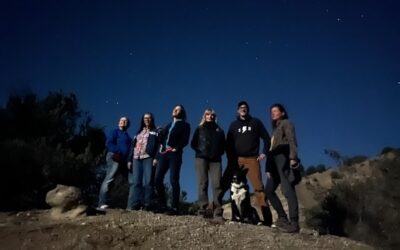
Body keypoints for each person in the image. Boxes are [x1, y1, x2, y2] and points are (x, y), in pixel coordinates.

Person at [223, 101, 272, 225]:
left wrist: (264, 152)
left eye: (245, 107)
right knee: (225, 184)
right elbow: (228, 144)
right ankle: (213, 211)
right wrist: (231, 159)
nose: (243, 109)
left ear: (248, 110)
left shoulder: (256, 122)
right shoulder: (233, 125)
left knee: (259, 188)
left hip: (252, 159)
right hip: (236, 160)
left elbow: (267, 138)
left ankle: (267, 219)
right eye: (241, 108)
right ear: (237, 110)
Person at [265, 103, 300, 233]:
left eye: (276, 111)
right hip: (273, 161)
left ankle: (294, 223)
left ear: (283, 112)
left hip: (283, 157)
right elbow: (270, 150)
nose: (273, 113)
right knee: (268, 190)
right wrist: (268, 168)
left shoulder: (286, 123)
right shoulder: (274, 130)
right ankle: (282, 218)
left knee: (287, 189)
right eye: (271, 112)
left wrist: (293, 157)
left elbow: (292, 140)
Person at [154, 105, 191, 215]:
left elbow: (185, 140)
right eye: (174, 109)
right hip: (163, 154)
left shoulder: (185, 125)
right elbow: (160, 141)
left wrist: (177, 148)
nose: (175, 110)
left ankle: (174, 207)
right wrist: (159, 133)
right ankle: (162, 205)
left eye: (178, 109)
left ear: (182, 112)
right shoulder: (168, 125)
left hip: (174, 155)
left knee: (173, 180)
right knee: (157, 179)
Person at [191, 108, 225, 219]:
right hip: (201, 159)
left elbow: (224, 146)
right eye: (208, 114)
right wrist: (200, 152)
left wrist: (218, 152)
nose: (210, 116)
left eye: (212, 115)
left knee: (217, 184)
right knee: (202, 183)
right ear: (204, 116)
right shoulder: (199, 128)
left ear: (215, 117)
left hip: (216, 160)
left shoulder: (220, 131)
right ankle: (202, 209)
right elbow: (193, 143)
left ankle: (218, 211)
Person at [126, 113, 160, 211]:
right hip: (136, 158)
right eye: (145, 118)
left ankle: (148, 203)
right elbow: (133, 146)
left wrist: (156, 158)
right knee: (137, 182)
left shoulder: (155, 131)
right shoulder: (138, 133)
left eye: (149, 118)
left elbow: (158, 145)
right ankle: (136, 203)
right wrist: (129, 159)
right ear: (143, 120)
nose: (147, 119)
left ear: (151, 120)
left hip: (148, 157)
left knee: (148, 181)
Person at [98, 116, 132, 210]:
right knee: (109, 178)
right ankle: (102, 202)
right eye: (121, 120)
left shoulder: (128, 137)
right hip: (114, 157)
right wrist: (119, 152)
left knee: (130, 180)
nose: (122, 121)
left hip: (123, 160)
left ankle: (129, 204)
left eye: (125, 121)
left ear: (127, 124)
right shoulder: (115, 131)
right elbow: (109, 143)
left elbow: (129, 150)